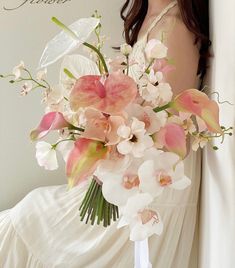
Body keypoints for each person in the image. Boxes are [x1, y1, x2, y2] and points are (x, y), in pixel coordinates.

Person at [0, 0, 210, 267]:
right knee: (26, 216)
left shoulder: (175, 27)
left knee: (28, 217)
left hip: (149, 193)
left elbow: (167, 138)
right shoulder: (155, 16)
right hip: (128, 174)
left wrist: (109, 150)